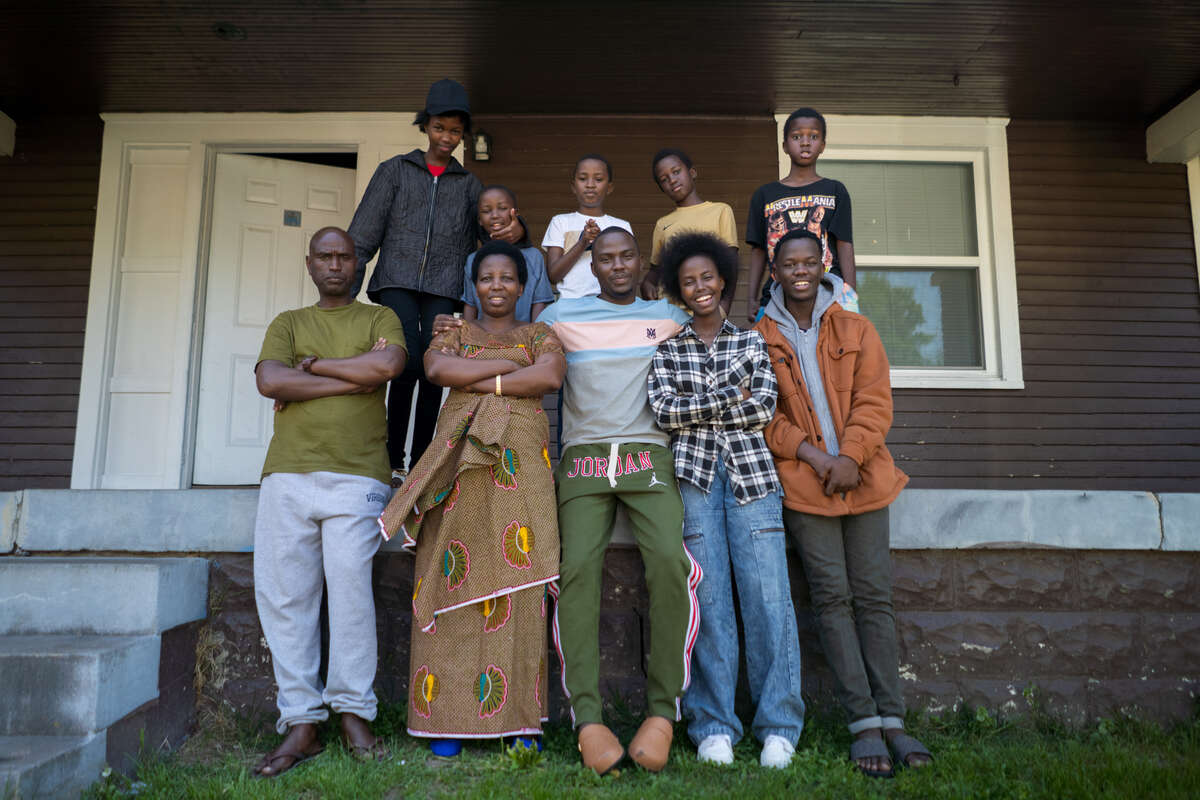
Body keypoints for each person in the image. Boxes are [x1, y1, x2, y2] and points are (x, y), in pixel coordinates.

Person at [754, 229, 932, 778]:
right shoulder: (758, 338)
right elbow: (762, 414)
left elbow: (876, 401)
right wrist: (816, 457)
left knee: (875, 598)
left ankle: (895, 720)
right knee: (832, 601)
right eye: (789, 263)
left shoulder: (856, 326)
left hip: (865, 478)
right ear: (776, 271)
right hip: (807, 487)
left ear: (823, 263)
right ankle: (864, 724)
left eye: (809, 261)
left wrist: (850, 457)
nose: (800, 270)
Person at [378, 240, 566, 756]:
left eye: (508, 277)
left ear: (523, 286)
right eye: (487, 278)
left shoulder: (540, 334)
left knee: (521, 587)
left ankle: (520, 721)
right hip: (459, 471)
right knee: (450, 576)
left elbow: (549, 376)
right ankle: (447, 720)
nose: (497, 286)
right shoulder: (453, 332)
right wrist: (511, 374)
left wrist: (482, 377)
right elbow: (439, 373)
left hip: (523, 470)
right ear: (473, 286)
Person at [536, 227, 700, 775]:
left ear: (639, 259)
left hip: (647, 457)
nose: (617, 266)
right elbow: (512, 340)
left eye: (627, 255)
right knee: (575, 570)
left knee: (672, 567)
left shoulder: (670, 316)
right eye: (605, 258)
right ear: (594, 265)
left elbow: (718, 331)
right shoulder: (564, 315)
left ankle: (662, 713)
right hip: (582, 460)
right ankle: (588, 717)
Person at [251, 227, 407, 777]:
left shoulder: (378, 319)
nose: (336, 264)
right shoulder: (289, 322)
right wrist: (350, 378)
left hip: (358, 475)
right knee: (284, 596)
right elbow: (271, 381)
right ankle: (301, 723)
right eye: (325, 256)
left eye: (345, 256)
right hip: (287, 475)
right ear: (310, 263)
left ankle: (353, 713)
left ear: (359, 264)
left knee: (349, 592)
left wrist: (312, 370)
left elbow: (386, 368)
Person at [647, 232, 805, 769]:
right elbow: (664, 412)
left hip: (753, 481)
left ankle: (779, 725)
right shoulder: (667, 349)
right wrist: (725, 399)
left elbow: (762, 406)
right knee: (708, 602)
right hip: (693, 482)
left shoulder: (752, 342)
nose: (700, 288)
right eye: (688, 281)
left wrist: (703, 404)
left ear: (722, 280)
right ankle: (714, 724)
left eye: (707, 277)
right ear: (678, 289)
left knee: (768, 599)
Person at [348, 78, 521, 484]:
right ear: (426, 126)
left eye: (456, 131)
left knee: (434, 365)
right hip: (396, 278)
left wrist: (517, 230)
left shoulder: (470, 185)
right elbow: (363, 233)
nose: (447, 137)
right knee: (405, 360)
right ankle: (392, 459)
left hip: (445, 284)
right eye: (440, 128)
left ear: (464, 134)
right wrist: (348, 300)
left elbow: (494, 230)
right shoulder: (394, 170)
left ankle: (423, 459)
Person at [745, 107, 858, 323]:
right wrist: (751, 298)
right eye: (797, 137)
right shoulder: (764, 194)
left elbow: (844, 244)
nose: (805, 142)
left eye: (813, 137)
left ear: (823, 145)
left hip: (827, 294)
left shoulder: (835, 190)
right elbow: (759, 249)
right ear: (785, 146)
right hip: (777, 295)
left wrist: (850, 294)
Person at [640, 149, 739, 314]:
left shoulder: (720, 211)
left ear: (692, 172)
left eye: (676, 172)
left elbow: (731, 263)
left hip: (709, 310)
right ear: (662, 188)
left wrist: (725, 305)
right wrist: (647, 283)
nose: (672, 180)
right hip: (671, 314)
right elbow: (656, 270)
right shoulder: (662, 224)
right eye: (664, 179)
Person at [542, 155, 633, 299]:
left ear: (609, 187)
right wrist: (582, 243)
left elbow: (630, 272)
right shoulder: (560, 222)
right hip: (571, 305)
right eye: (583, 178)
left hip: (611, 305)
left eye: (598, 179)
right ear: (573, 186)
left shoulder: (621, 226)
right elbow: (553, 275)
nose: (590, 184)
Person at [461, 185, 554, 323]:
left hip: (523, 338)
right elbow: (470, 304)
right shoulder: (473, 259)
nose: (495, 215)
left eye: (502, 208)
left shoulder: (533, 256)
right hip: (483, 340)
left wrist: (535, 336)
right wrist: (466, 338)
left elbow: (539, 302)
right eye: (486, 211)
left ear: (514, 213)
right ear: (479, 220)